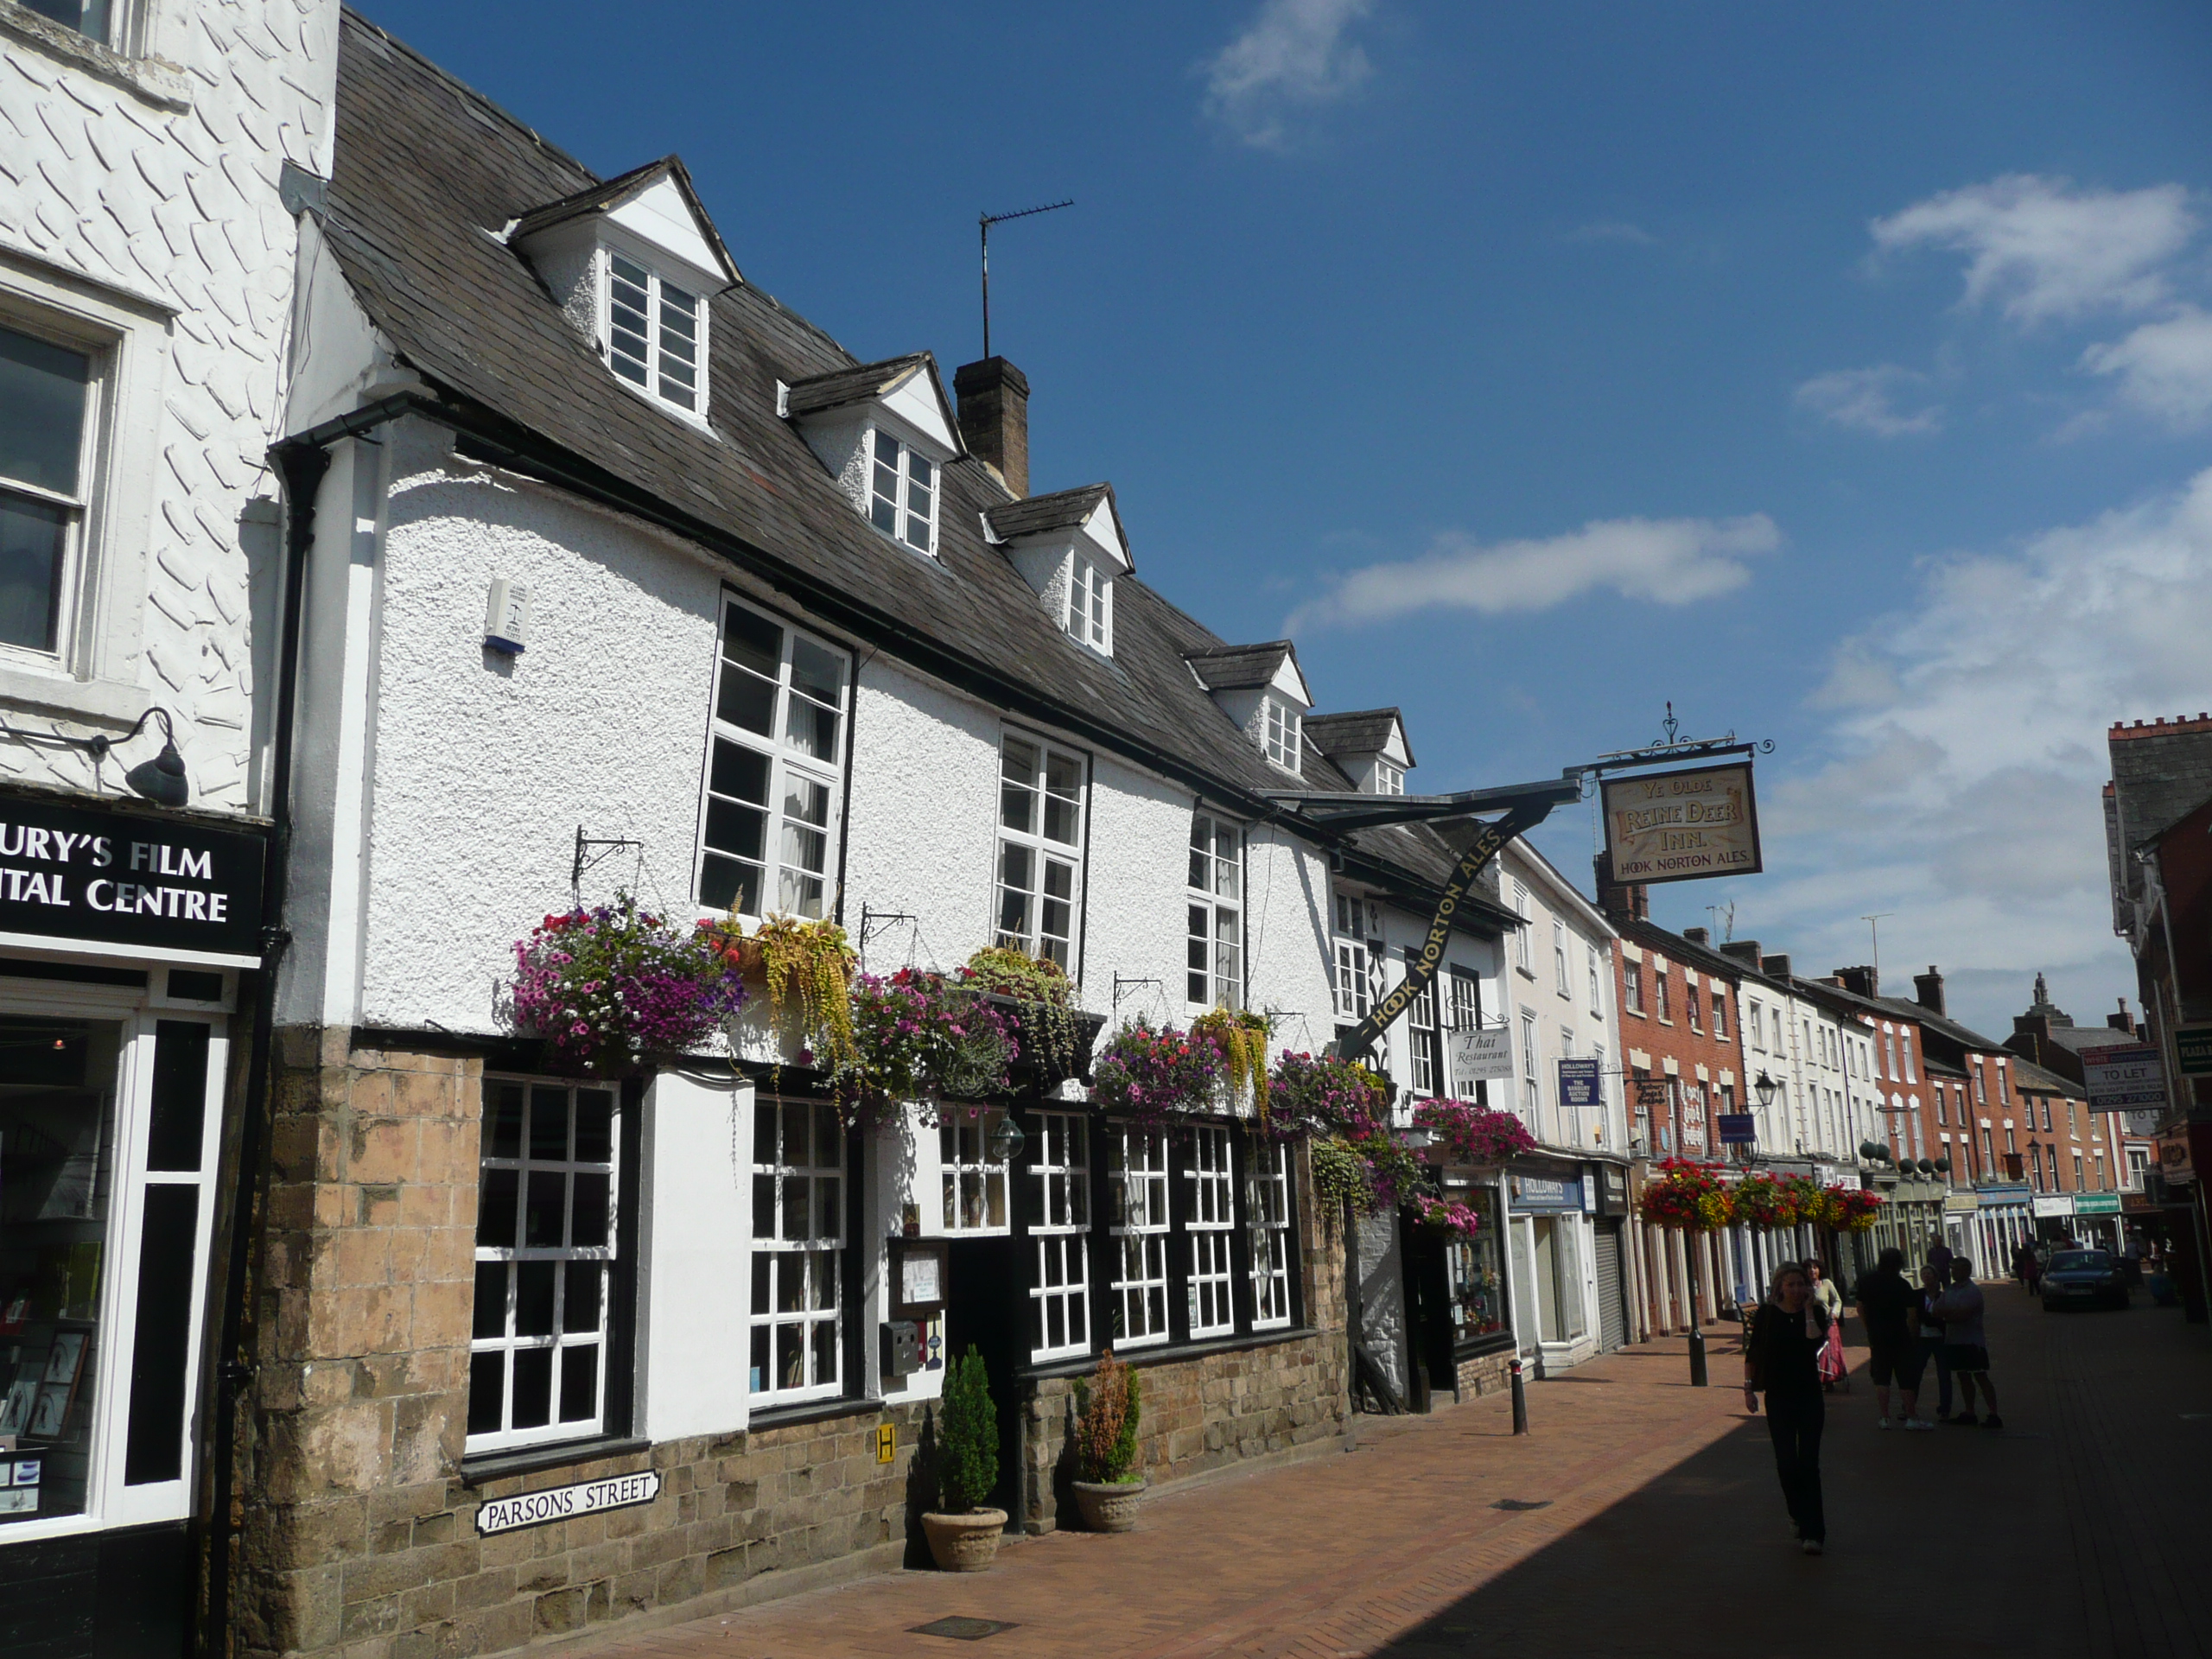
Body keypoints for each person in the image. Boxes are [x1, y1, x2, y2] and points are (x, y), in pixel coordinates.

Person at [1743, 1262, 1829, 1554]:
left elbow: (1814, 1341)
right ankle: (1796, 1512)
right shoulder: (1767, 1315)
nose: (1794, 1289)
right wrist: (1748, 1388)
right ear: (1779, 1286)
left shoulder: (1816, 1312)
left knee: (1808, 1464)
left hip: (1809, 1396)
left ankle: (1813, 1533)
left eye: (1799, 1284)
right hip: (1778, 1396)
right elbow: (1753, 1351)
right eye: (1789, 1285)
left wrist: (1806, 1309)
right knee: (1786, 1464)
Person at [1853, 1246, 1919, 1427]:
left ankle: (1884, 1417)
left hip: (1878, 1337)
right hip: (1900, 1336)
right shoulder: (1902, 1284)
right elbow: (1912, 1315)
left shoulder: (1867, 1282)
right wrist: (1913, 1335)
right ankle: (1911, 1416)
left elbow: (1860, 1307)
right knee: (1906, 1379)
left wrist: (1869, 1328)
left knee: (1882, 1379)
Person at [1935, 1257, 2004, 1430]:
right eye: (1952, 1269)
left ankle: (1993, 1413)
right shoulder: (1949, 1290)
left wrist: (1948, 1315)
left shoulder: (1973, 1291)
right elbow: (1936, 1310)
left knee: (1980, 1376)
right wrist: (1950, 1314)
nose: (1953, 1272)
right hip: (1954, 1340)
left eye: (1956, 1269)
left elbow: (1963, 1315)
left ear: (1966, 1270)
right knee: (1962, 1376)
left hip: (1972, 1342)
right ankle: (1969, 1411)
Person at [1912, 1262, 1953, 1422]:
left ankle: (1945, 1408)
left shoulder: (1943, 1296)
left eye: (1929, 1274)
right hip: (1922, 1338)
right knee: (1915, 1372)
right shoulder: (1917, 1295)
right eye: (1924, 1275)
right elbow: (1913, 1316)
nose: (1926, 1277)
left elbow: (1947, 1316)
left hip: (1940, 1338)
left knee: (1944, 1374)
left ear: (1936, 1277)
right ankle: (1909, 1405)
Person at [1806, 1259, 1848, 1389]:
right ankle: (1816, 1376)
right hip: (1812, 1322)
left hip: (1827, 1321)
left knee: (1828, 1350)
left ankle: (1829, 1377)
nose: (1812, 1270)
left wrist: (1834, 1313)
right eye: (1809, 1268)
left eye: (1815, 1268)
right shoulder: (1803, 1287)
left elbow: (1837, 1300)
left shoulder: (1826, 1284)